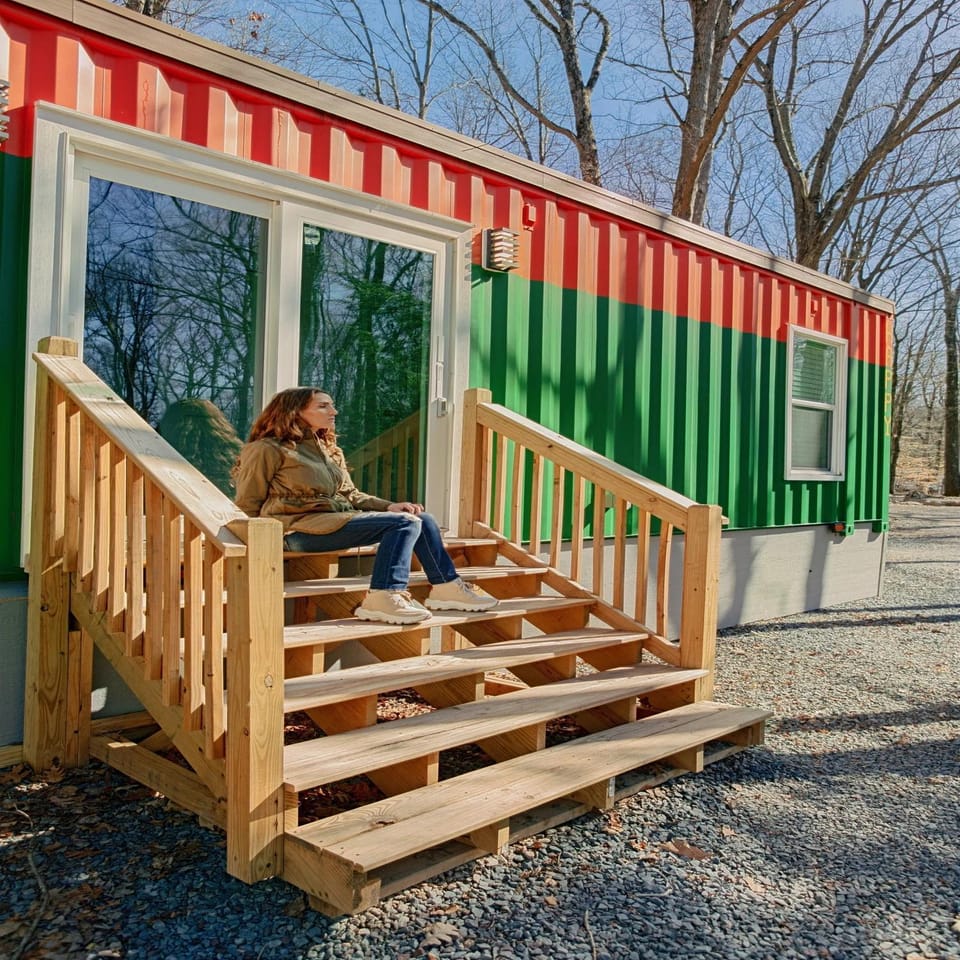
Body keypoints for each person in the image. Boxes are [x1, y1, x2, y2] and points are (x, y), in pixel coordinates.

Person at [233, 387, 498, 625]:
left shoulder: (328, 450)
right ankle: (383, 595)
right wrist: (253, 544)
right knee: (404, 524)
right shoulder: (266, 449)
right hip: (295, 531)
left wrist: (390, 506)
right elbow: (247, 502)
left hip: (334, 522)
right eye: (323, 406)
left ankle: (446, 587)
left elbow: (351, 494)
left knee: (422, 518)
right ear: (294, 412)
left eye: (332, 405)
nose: (333, 411)